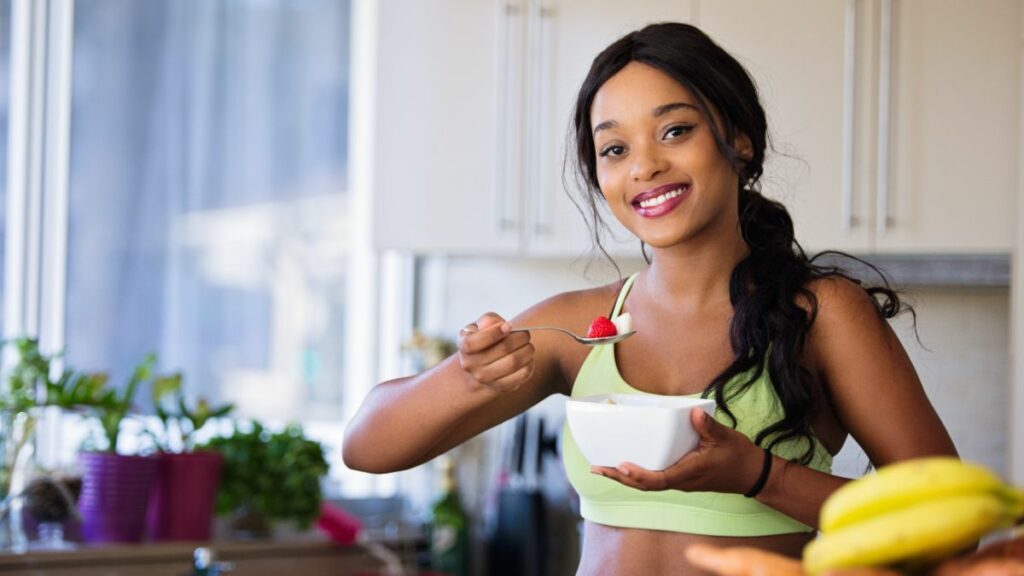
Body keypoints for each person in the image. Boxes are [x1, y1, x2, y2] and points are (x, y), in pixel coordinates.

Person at [343, 22, 957, 575]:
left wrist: (759, 475)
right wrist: (470, 378)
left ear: (737, 140)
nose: (645, 166)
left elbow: (947, 530)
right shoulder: (579, 327)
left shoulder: (820, 315)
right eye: (615, 148)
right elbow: (367, 447)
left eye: (675, 130)